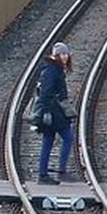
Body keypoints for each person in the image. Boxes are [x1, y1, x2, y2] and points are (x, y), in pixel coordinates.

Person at [33, 42, 75, 184]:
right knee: (68, 137)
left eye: (66, 54)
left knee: (48, 141)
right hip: (54, 111)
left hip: (53, 110)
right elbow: (46, 92)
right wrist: (45, 111)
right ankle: (61, 171)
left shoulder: (52, 68)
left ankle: (43, 174)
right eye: (62, 54)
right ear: (56, 55)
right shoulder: (52, 70)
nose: (65, 57)